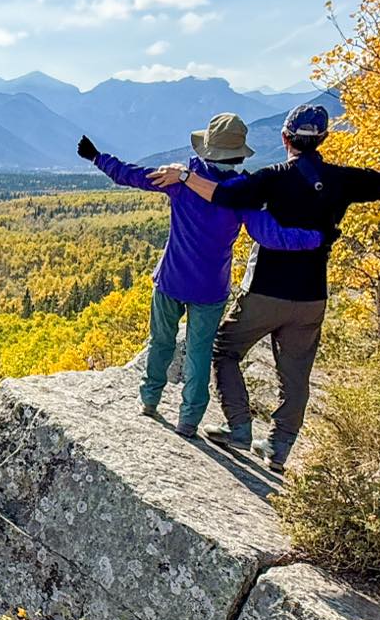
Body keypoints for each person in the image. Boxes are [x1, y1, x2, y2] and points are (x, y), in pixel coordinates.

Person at [148, 103, 380, 472]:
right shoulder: (343, 179)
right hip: (311, 297)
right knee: (296, 372)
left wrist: (184, 177)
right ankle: (278, 448)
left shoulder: (271, 177)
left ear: (285, 137)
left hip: (266, 290)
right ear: (322, 139)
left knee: (224, 349)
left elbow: (222, 195)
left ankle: (239, 427)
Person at [77, 113, 323, 438]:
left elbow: (130, 175)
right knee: (199, 353)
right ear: (237, 154)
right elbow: (270, 235)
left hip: (171, 279)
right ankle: (188, 421)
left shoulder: (182, 181)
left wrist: (97, 157)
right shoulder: (243, 193)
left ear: (207, 150)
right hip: (211, 288)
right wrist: (316, 238)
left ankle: (149, 400)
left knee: (161, 342)